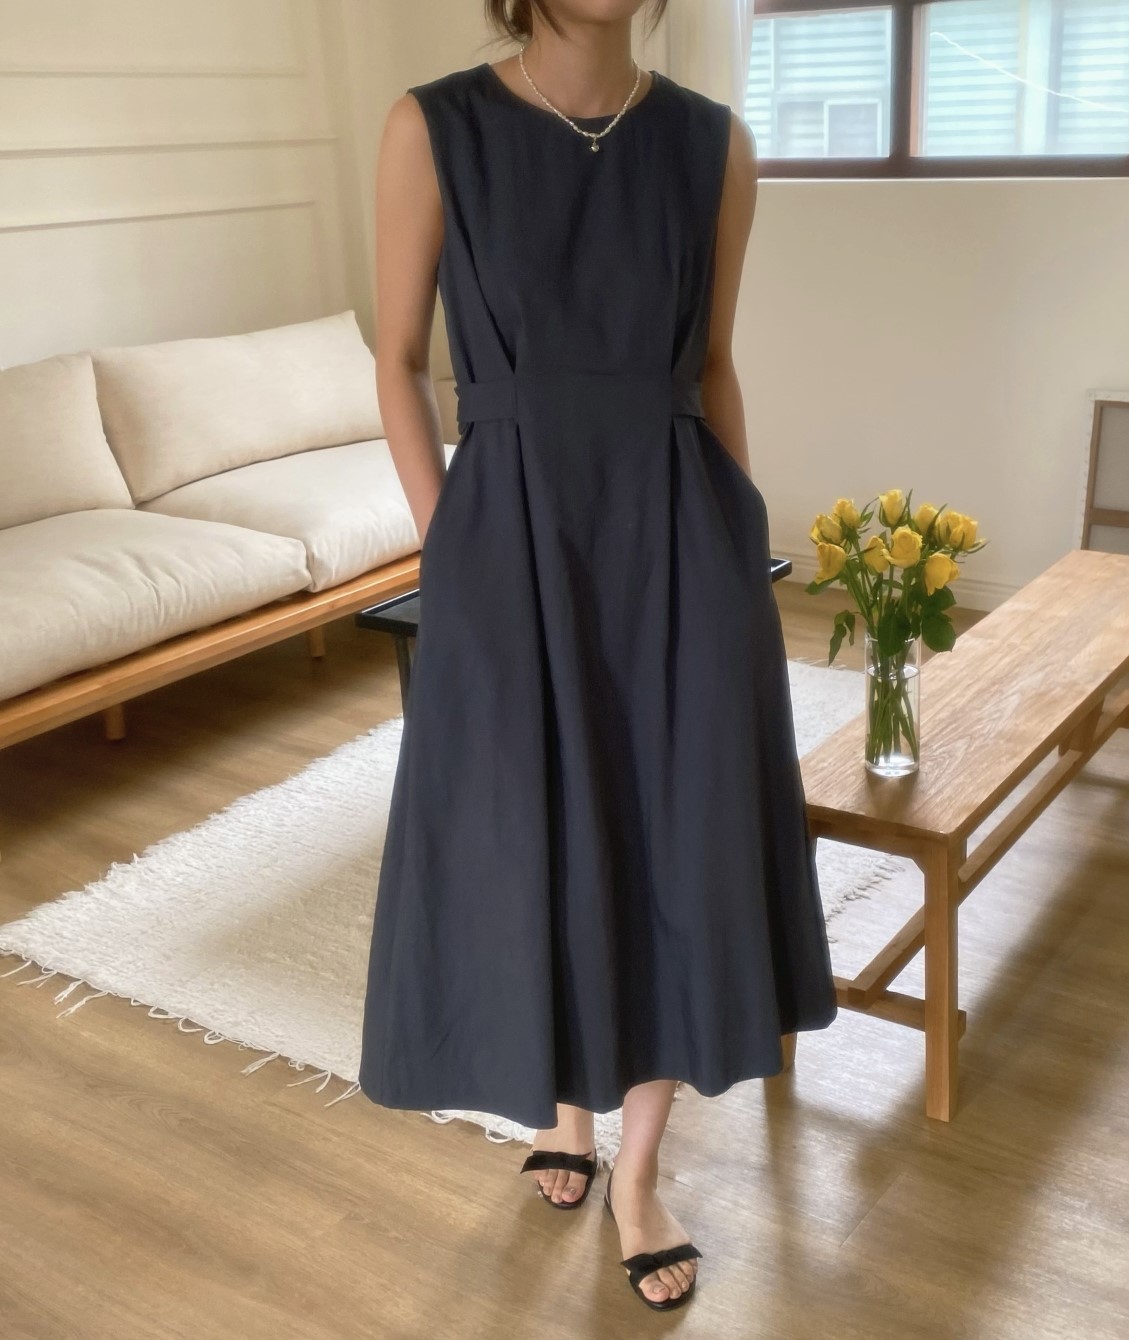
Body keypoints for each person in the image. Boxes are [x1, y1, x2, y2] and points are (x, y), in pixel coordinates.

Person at [358, 0, 838, 1312]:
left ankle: (637, 1171)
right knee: (532, 827)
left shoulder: (713, 144)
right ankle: (560, 1107)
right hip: (508, 535)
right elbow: (398, 361)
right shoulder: (434, 128)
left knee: (675, 836)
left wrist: (738, 542)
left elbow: (716, 363)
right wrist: (452, 544)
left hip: (679, 532)